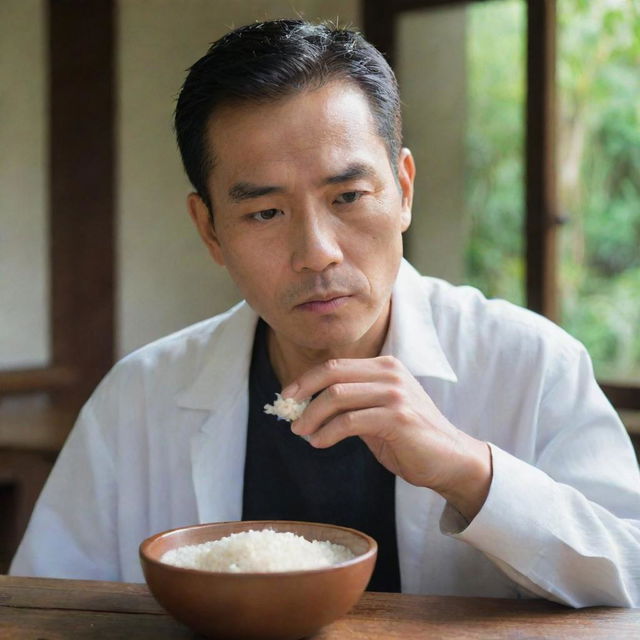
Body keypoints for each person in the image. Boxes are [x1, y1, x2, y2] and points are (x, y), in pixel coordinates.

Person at [10, 19, 640, 606]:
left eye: (348, 196)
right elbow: (46, 603)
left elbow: (632, 576)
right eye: (264, 212)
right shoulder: (140, 395)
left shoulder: (531, 363)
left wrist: (470, 471)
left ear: (404, 191)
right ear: (209, 230)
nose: (317, 252)